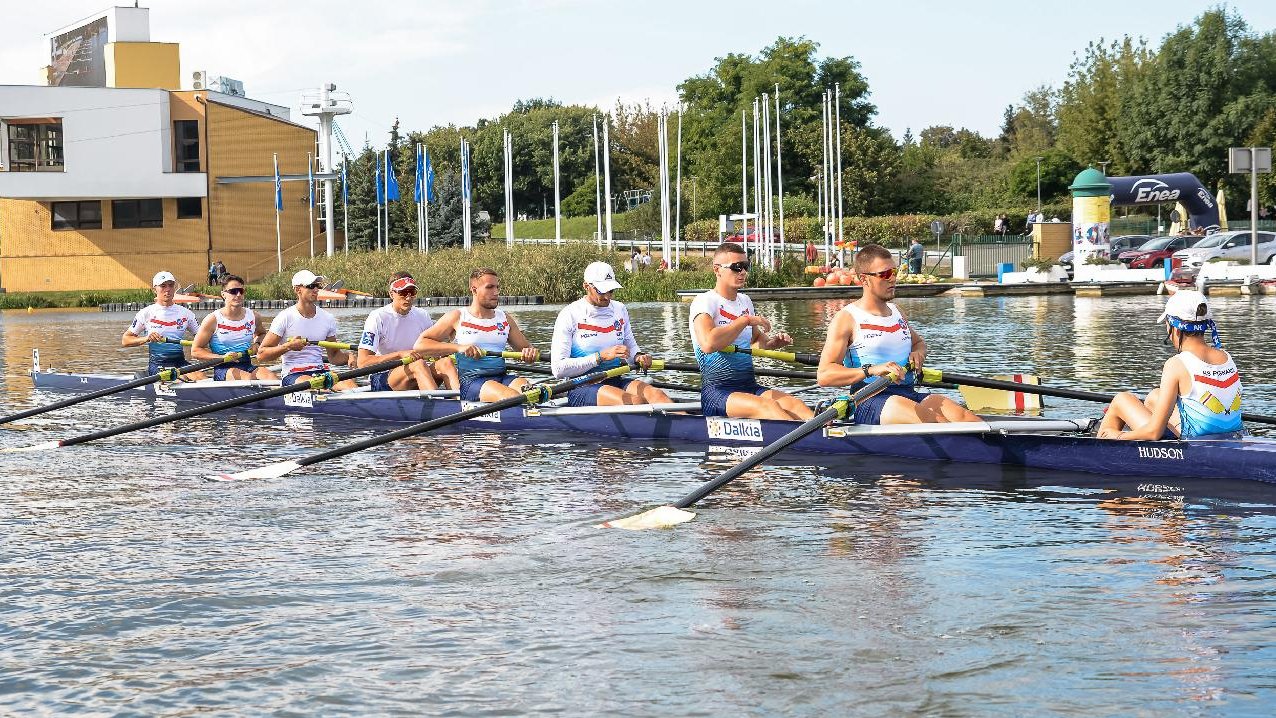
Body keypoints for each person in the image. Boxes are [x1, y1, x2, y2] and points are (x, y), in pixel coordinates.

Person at [816, 243, 980, 425]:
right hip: (869, 399)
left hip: (908, 392)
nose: (892, 279)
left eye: (894, 272)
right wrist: (871, 370)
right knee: (937, 423)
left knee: (968, 420)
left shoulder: (897, 312)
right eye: (885, 274)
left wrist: (918, 353)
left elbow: (919, 343)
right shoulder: (847, 318)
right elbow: (824, 374)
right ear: (864, 279)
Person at [689, 242, 813, 421]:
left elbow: (755, 342)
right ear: (717, 270)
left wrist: (773, 343)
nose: (743, 272)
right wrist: (745, 320)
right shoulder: (704, 302)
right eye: (736, 267)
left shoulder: (745, 301)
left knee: (796, 405)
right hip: (717, 393)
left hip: (749, 387)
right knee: (769, 407)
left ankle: (829, 436)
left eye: (746, 266)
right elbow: (708, 343)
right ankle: (806, 441)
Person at [1098, 290, 1242, 441]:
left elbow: (1154, 433)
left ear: (1176, 329)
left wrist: (1120, 435)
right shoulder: (1226, 357)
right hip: (1230, 434)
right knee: (1155, 396)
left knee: (1122, 399)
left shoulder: (1176, 364)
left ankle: (1098, 445)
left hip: (1194, 442)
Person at [550, 262, 671, 407]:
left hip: (615, 379)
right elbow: (558, 369)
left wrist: (639, 356)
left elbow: (630, 345)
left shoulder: (619, 309)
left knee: (659, 396)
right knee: (635, 402)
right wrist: (600, 357)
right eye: (601, 291)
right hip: (581, 386)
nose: (607, 297)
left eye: (611, 290)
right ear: (586, 286)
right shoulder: (569, 315)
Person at [414, 267, 540, 402]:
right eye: (490, 287)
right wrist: (459, 348)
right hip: (471, 382)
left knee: (535, 394)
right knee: (513, 398)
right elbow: (420, 344)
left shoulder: (504, 319)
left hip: (502, 377)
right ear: (474, 290)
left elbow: (526, 348)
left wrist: (530, 353)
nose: (496, 292)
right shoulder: (457, 317)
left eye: (497, 287)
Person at [357, 272, 458, 392]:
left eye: (412, 292)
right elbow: (362, 362)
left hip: (417, 373)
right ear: (391, 294)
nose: (408, 298)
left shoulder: (422, 315)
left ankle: (463, 404)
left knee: (445, 363)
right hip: (383, 378)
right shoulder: (377, 317)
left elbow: (434, 350)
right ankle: (438, 407)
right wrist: (400, 355)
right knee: (419, 364)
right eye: (403, 292)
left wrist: (451, 348)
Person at [256, 269, 357, 389]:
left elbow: (334, 356)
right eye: (311, 286)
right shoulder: (285, 317)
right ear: (297, 290)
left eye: (317, 286)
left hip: (320, 372)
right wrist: (287, 346)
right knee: (315, 384)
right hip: (293, 375)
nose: (316, 289)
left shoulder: (327, 318)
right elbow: (261, 355)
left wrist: (349, 356)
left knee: (350, 385)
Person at [191, 274, 276, 381]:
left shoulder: (253, 316)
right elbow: (195, 351)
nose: (238, 294)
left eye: (241, 291)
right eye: (233, 291)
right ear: (223, 294)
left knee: (271, 376)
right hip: (224, 368)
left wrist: (257, 343)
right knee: (249, 380)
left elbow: (262, 334)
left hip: (247, 365)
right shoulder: (212, 320)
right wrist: (221, 357)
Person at [121, 271, 205, 379]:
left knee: (201, 376)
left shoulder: (186, 314)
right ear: (154, 289)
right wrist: (147, 338)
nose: (167, 289)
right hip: (158, 364)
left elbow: (202, 337)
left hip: (180, 363)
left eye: (171, 285)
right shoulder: (146, 313)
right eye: (163, 286)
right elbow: (125, 340)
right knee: (181, 379)